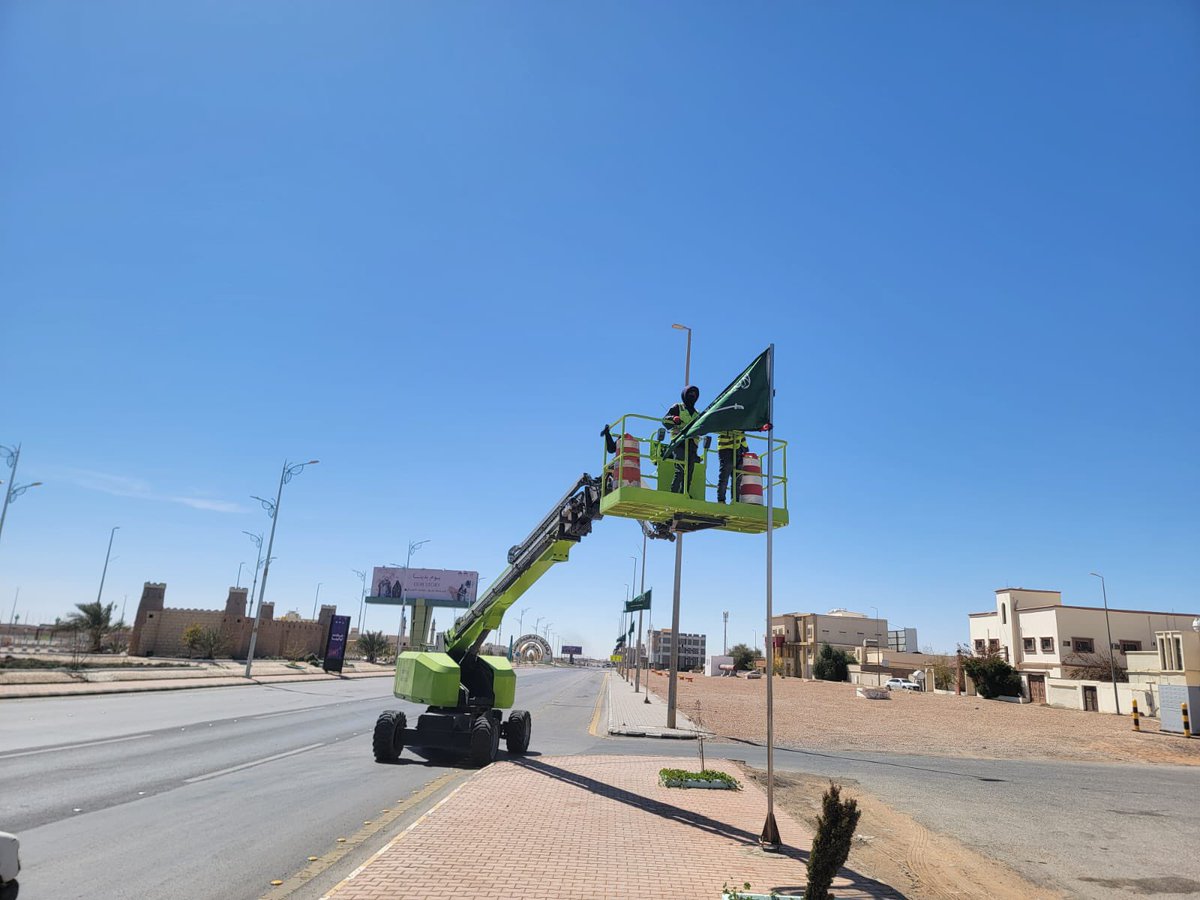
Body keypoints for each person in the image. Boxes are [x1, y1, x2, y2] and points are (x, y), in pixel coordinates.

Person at [662, 385, 701, 494]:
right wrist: (673, 418)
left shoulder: (697, 413)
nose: (692, 395)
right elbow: (664, 420)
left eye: (694, 394)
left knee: (689, 471)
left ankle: (685, 493)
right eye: (690, 393)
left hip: (692, 445)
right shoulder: (677, 407)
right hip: (679, 442)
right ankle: (674, 492)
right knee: (680, 468)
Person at [716, 429, 747, 503]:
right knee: (725, 476)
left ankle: (735, 500)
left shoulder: (741, 424)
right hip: (726, 449)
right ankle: (721, 500)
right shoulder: (726, 422)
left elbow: (742, 436)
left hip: (737, 450)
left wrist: (745, 448)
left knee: (737, 478)